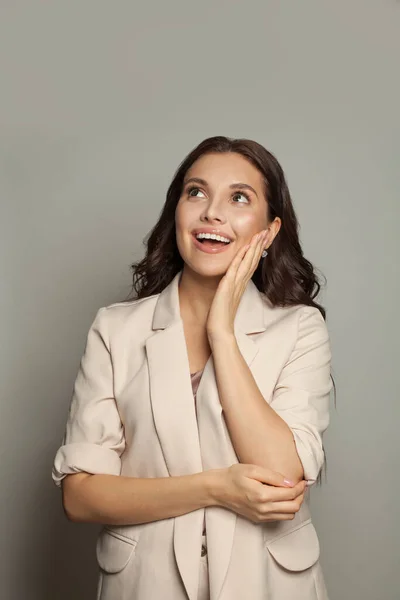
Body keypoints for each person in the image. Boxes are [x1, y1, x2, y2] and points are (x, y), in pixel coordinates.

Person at [52, 135, 333, 600]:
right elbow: (80, 496)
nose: (211, 213)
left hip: (270, 585)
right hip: (146, 584)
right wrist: (215, 488)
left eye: (239, 197)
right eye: (195, 192)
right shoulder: (116, 329)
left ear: (270, 230)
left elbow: (282, 475)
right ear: (176, 212)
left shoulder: (299, 329)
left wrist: (221, 331)